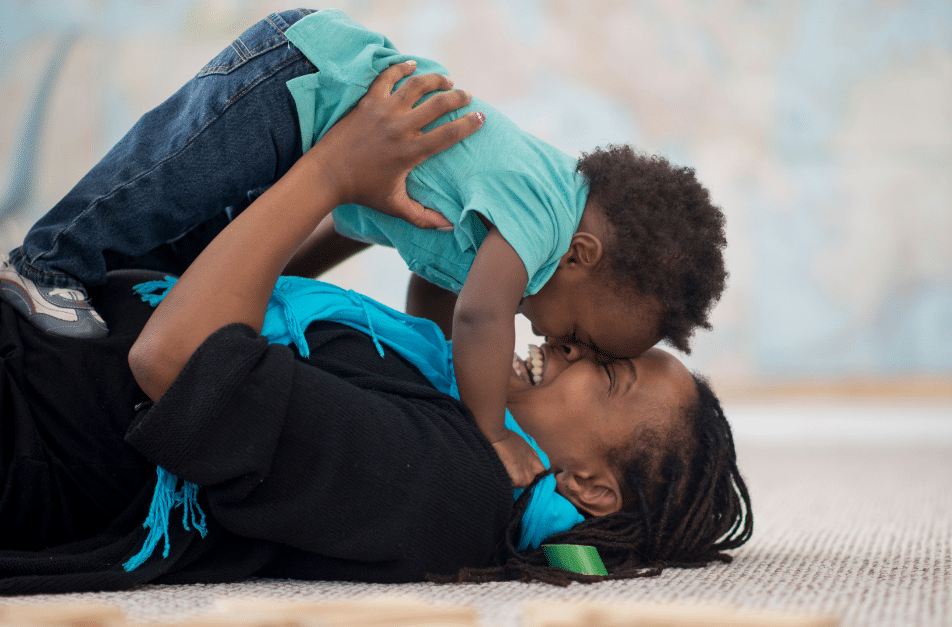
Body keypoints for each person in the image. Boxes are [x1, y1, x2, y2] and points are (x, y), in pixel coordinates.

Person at [0, 59, 751, 595]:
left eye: (605, 369)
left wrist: (330, 172)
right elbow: (255, 300)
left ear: (590, 487)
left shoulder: (450, 487)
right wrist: (397, 219)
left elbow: (176, 359)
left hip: (29, 421)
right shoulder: (455, 408)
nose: (562, 344)